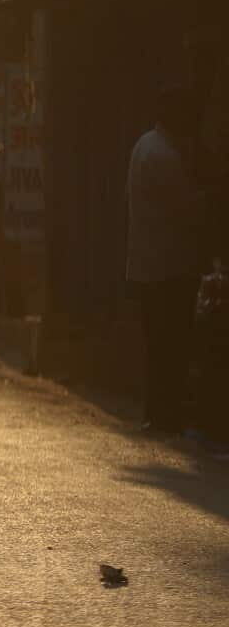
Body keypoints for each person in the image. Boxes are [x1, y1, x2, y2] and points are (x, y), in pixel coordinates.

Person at [126, 82, 206, 435]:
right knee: (171, 343)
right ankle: (166, 415)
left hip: (149, 265)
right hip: (167, 267)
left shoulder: (146, 146)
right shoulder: (164, 156)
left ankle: (158, 413)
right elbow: (189, 209)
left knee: (159, 343)